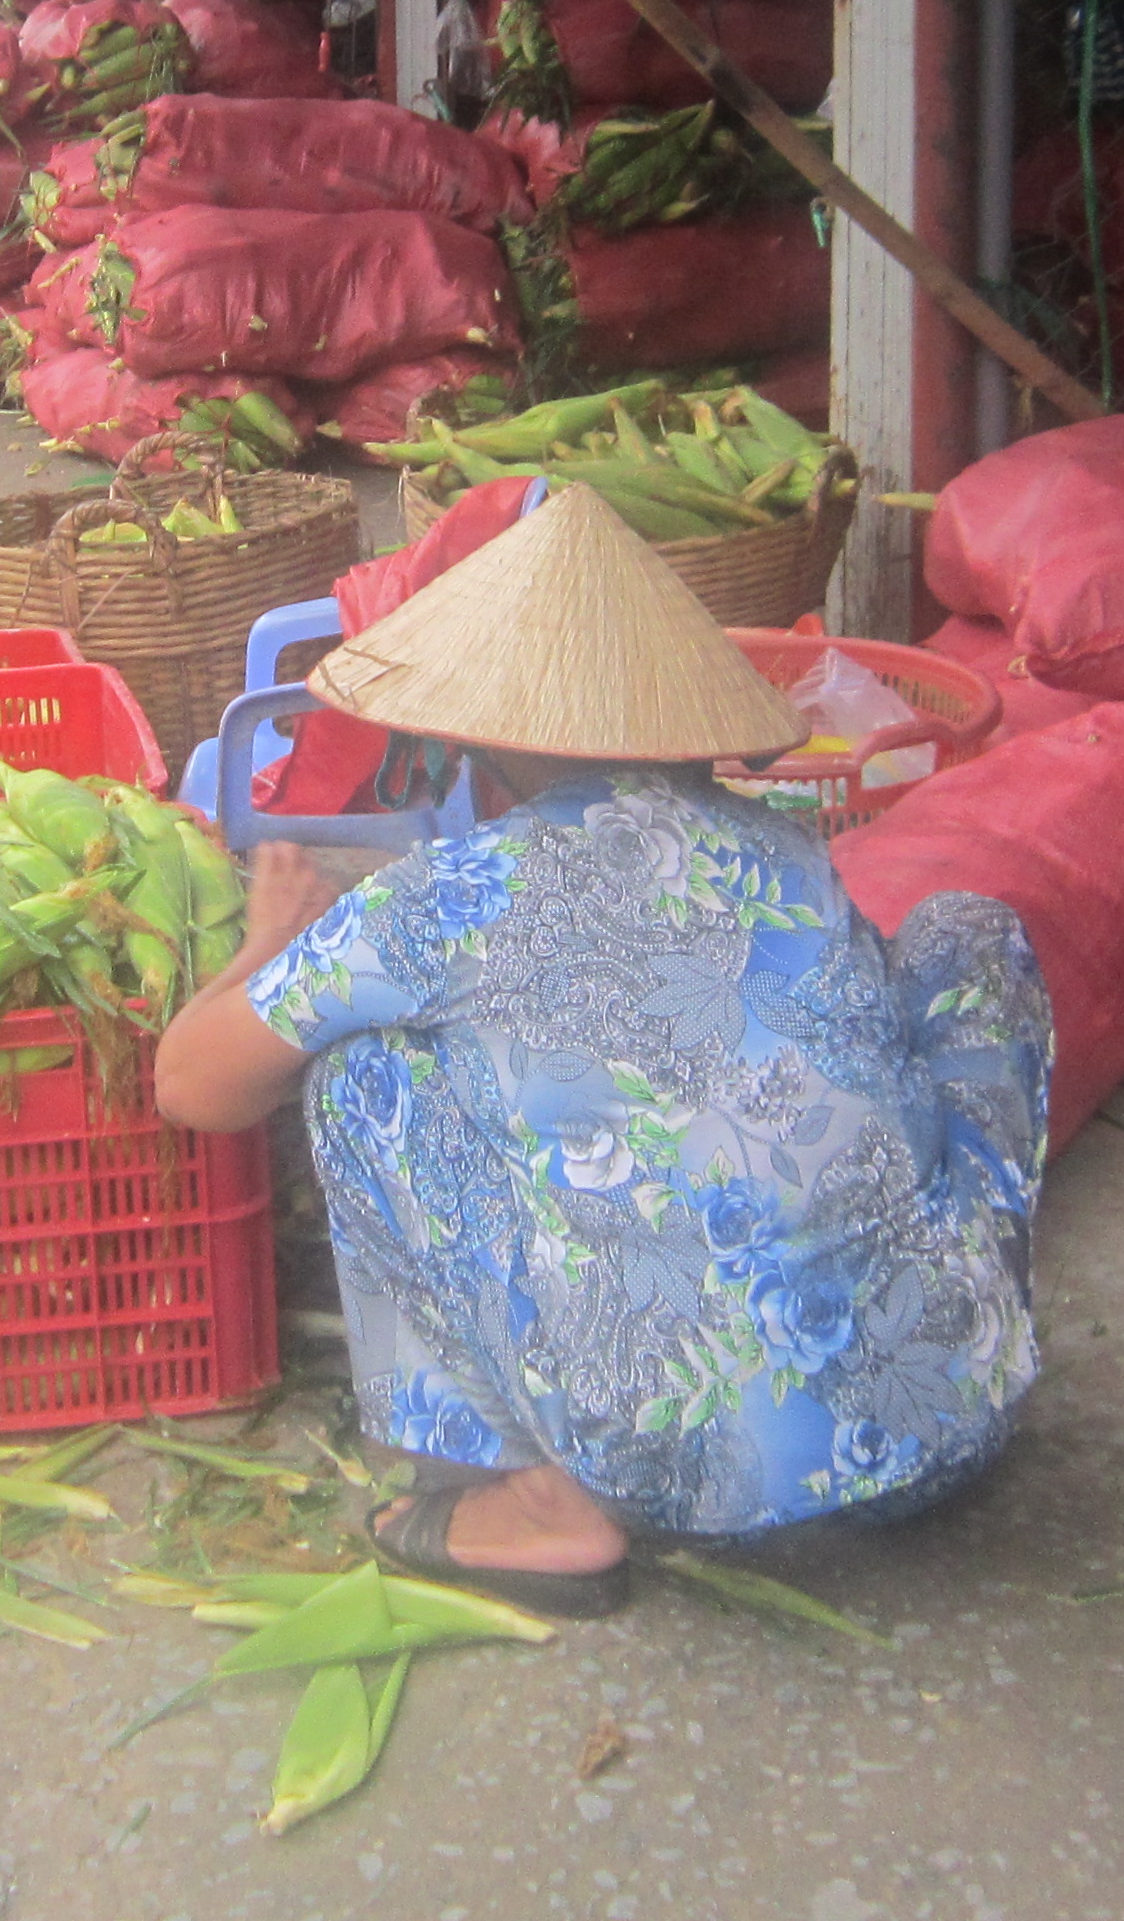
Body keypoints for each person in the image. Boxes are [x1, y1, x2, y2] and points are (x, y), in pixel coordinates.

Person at [155, 489, 1050, 1614]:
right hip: (945, 1423)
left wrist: (267, 943)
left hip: (680, 1467)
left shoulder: (449, 899)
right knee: (967, 937)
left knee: (361, 1072)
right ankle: (955, 1323)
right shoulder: (785, 848)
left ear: (485, 734)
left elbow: (193, 1086)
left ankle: (536, 1505)